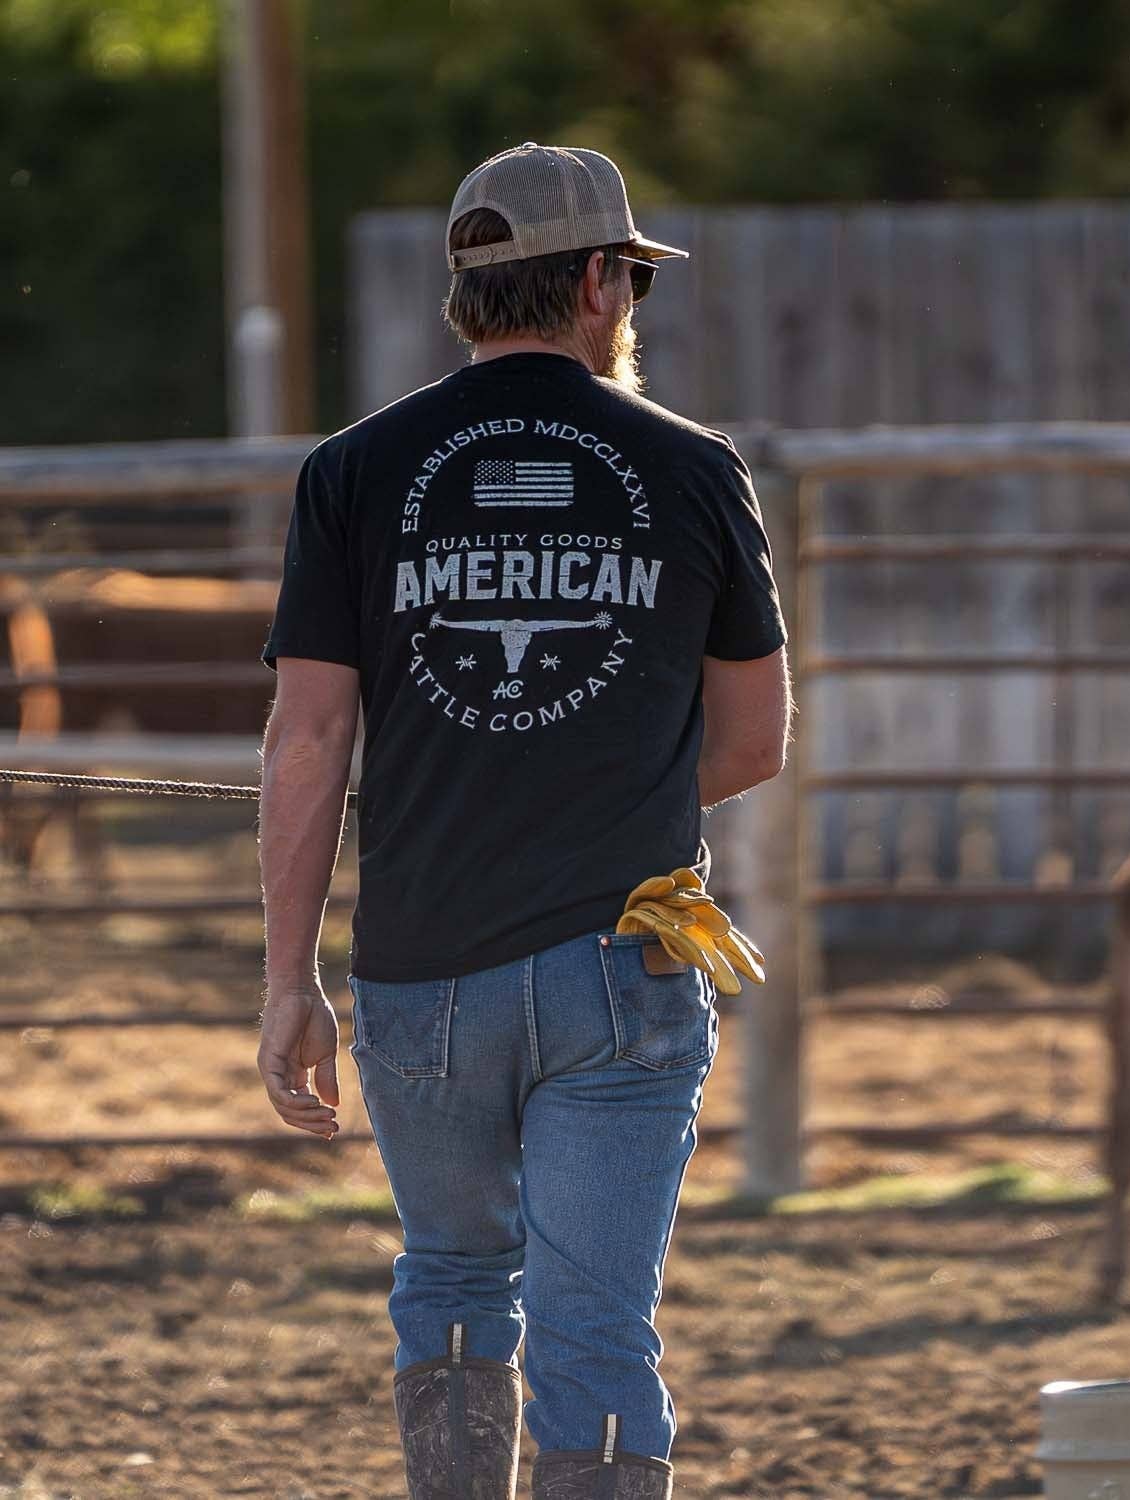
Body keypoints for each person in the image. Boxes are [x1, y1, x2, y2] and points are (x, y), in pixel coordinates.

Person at [255, 142, 792, 1500]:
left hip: (418, 974)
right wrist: (588, 791)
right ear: (605, 283)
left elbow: (308, 736)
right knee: (596, 1325)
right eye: (632, 284)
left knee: (448, 1270)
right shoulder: (692, 469)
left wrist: (285, 981)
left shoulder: (354, 472)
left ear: (466, 297)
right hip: (623, 960)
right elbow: (753, 742)